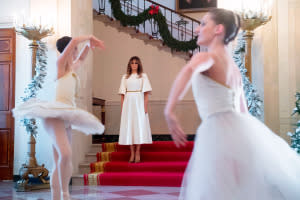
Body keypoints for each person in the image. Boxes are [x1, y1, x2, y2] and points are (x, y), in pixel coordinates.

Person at [164, 8, 300, 200]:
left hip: (216, 130)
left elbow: (187, 72)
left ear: (218, 29)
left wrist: (169, 110)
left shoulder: (206, 57)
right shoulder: (233, 67)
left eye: (203, 24)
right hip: (236, 130)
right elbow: (242, 110)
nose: (197, 29)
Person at [13, 35, 105, 200]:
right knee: (66, 154)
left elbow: (83, 56)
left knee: (60, 160)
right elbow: (75, 40)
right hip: (54, 114)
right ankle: (63, 194)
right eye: (74, 49)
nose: (77, 52)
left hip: (67, 115)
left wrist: (89, 45)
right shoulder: (60, 65)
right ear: (69, 48)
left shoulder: (72, 68)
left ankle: (61, 195)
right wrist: (90, 37)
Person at [118, 56, 152, 163]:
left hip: (139, 104)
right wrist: (123, 109)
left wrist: (145, 108)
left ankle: (138, 151)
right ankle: (132, 152)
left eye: (136, 63)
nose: (134, 65)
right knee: (130, 128)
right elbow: (122, 95)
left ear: (139, 65)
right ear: (129, 65)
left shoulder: (143, 76)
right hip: (128, 105)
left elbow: (146, 94)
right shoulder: (125, 77)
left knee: (138, 128)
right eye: (132, 63)